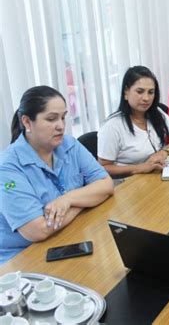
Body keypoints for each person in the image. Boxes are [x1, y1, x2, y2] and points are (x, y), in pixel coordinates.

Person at [0, 86, 114, 264]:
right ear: (27, 122)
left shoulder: (69, 144)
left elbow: (106, 184)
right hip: (22, 258)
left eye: (63, 117)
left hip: (68, 237)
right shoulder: (7, 167)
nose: (61, 126)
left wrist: (67, 200)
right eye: (52, 119)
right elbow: (37, 230)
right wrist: (83, 202)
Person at [97, 66, 169, 178]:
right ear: (126, 92)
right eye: (140, 91)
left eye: (151, 92)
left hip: (156, 175)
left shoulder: (155, 113)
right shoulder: (112, 126)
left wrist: (164, 152)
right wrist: (140, 168)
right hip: (130, 183)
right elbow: (103, 167)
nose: (146, 98)